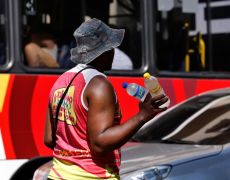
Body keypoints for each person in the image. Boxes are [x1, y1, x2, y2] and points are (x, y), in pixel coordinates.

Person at [39, 18, 168, 180]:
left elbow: (50, 139)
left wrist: (74, 149)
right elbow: (100, 144)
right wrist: (143, 115)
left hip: (58, 175)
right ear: (103, 52)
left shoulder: (61, 81)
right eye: (111, 48)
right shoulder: (99, 84)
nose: (113, 52)